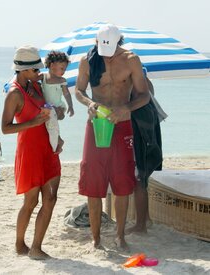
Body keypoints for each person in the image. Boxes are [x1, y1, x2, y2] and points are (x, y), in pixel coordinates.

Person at [75, 24, 150, 249]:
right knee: (93, 181)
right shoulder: (87, 60)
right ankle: (96, 238)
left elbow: (144, 95)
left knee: (123, 181)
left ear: (120, 42)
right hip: (96, 124)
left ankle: (120, 235)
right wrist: (89, 103)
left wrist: (126, 108)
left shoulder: (131, 60)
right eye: (100, 46)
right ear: (96, 42)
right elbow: (79, 90)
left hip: (123, 125)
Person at [1, 45, 64, 260]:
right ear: (24, 70)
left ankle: (36, 247)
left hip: (49, 147)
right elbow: (5, 128)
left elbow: (51, 111)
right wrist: (33, 122)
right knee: (31, 202)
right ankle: (20, 244)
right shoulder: (14, 94)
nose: (39, 72)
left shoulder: (36, 85)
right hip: (29, 151)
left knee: (51, 198)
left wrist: (57, 134)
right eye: (36, 69)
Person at [127, 75, 166, 234]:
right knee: (142, 179)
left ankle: (140, 226)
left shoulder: (134, 82)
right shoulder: (144, 80)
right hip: (149, 132)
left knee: (139, 180)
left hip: (141, 132)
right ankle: (146, 219)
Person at [38, 50, 74, 152]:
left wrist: (70, 106)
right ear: (52, 65)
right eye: (62, 68)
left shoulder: (62, 80)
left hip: (58, 106)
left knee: (51, 122)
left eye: (65, 69)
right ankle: (58, 140)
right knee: (49, 124)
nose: (64, 71)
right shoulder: (43, 77)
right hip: (48, 107)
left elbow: (66, 94)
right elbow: (32, 80)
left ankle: (57, 142)